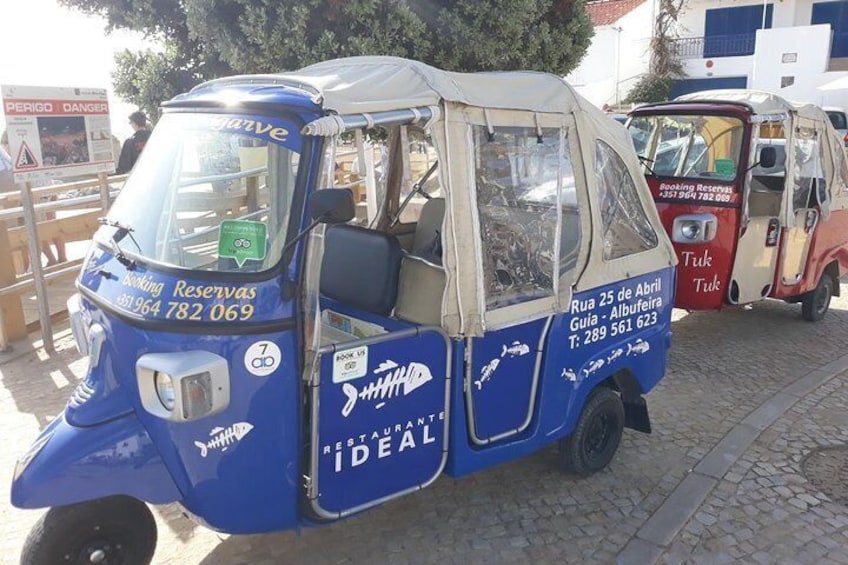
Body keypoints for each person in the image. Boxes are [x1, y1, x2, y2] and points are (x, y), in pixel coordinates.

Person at [116, 110, 152, 174]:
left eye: (131, 123)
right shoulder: (155, 138)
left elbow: (124, 167)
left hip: (137, 176)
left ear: (134, 123)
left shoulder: (129, 142)